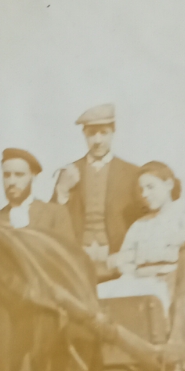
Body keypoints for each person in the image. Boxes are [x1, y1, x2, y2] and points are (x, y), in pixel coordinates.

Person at [52, 103, 142, 276]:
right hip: (79, 254)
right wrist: (62, 191)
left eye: (104, 133)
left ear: (113, 132)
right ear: (84, 134)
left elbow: (143, 217)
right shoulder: (69, 172)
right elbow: (52, 218)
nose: (98, 140)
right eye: (92, 134)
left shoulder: (131, 173)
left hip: (116, 254)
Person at [110, 160, 185, 305]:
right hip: (141, 282)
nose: (145, 194)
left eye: (150, 187)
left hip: (173, 285)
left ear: (168, 184)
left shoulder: (183, 216)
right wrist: (124, 264)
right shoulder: (140, 225)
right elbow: (126, 258)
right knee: (106, 294)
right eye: (142, 189)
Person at [0, 148, 76, 242]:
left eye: (19, 175)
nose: (11, 182)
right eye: (7, 175)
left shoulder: (55, 214)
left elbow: (68, 254)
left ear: (33, 176)